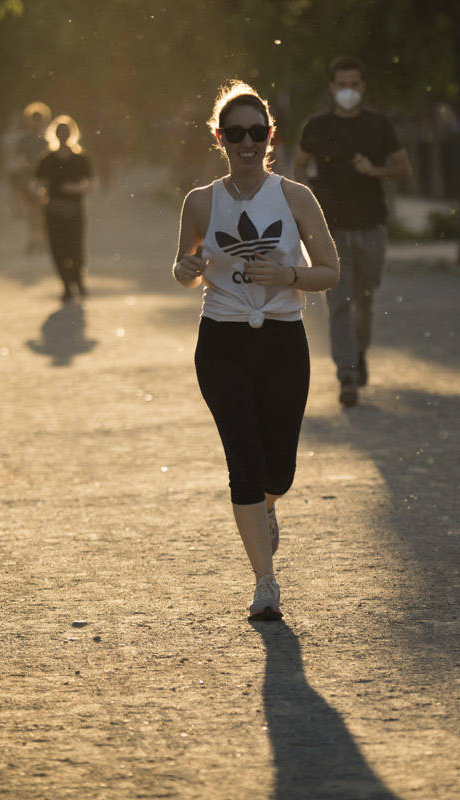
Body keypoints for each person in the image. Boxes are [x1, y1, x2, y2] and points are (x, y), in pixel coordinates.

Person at [172, 81, 340, 621]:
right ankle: (265, 583)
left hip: (282, 341)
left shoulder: (295, 197)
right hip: (221, 341)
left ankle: (267, 506)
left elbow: (330, 272)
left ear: (271, 136)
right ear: (219, 138)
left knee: (279, 470)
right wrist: (185, 269)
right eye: (236, 133)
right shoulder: (200, 202)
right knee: (242, 458)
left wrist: (289, 273)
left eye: (257, 132)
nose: (247, 142)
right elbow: (184, 267)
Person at [293, 56, 411, 408]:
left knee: (365, 300)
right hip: (332, 229)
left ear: (363, 87)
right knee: (339, 302)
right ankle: (346, 373)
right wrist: (305, 205)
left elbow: (403, 169)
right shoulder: (316, 126)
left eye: (354, 85)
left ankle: (359, 352)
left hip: (371, 225)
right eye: (342, 85)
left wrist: (373, 170)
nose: (348, 91)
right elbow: (297, 166)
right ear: (332, 88)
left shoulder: (379, 126)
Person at [35, 115, 92, 302]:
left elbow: (89, 184)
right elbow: (38, 183)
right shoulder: (47, 159)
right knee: (58, 248)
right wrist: (40, 195)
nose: (62, 135)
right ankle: (66, 285)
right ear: (54, 134)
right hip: (53, 210)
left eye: (66, 132)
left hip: (74, 209)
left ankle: (78, 279)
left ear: (72, 134)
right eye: (59, 132)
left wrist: (74, 188)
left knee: (75, 247)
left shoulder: (80, 158)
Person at [18, 101, 52, 252]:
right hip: (29, 179)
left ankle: (43, 240)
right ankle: (32, 240)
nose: (36, 123)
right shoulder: (24, 140)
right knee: (32, 210)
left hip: (44, 179)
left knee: (43, 210)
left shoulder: (47, 140)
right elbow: (19, 159)